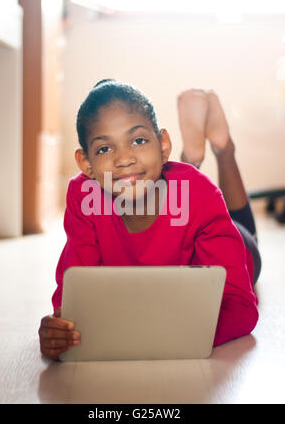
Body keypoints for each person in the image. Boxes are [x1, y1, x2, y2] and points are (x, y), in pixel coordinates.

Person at [38, 80, 261, 360]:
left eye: (139, 140)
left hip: (236, 245)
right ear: (86, 165)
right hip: (185, 205)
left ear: (162, 144)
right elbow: (74, 294)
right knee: (183, 189)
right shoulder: (83, 197)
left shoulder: (201, 195)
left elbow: (240, 306)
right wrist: (61, 330)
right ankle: (192, 156)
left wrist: (176, 333)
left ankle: (223, 148)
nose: (124, 159)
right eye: (105, 149)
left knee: (243, 229)